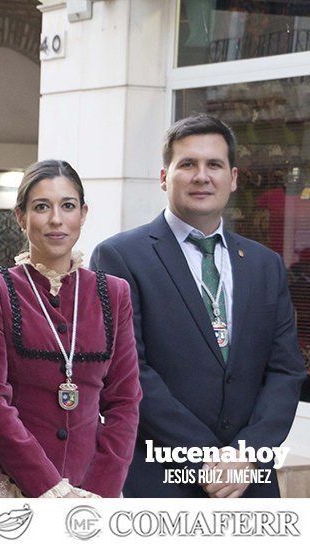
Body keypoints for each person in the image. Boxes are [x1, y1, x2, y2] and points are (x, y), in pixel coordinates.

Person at [90, 114, 306, 498]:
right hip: (162, 479)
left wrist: (247, 455)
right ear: (163, 177)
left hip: (250, 483)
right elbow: (127, 372)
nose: (201, 176)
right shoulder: (120, 257)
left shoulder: (264, 264)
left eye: (214, 165)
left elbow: (286, 370)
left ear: (233, 178)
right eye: (187, 164)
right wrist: (205, 457)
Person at [0, 159, 141, 498]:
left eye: (68, 206)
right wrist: (50, 490)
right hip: (13, 483)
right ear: (21, 217)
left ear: (83, 214)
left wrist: (99, 491)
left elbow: (124, 401)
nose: (56, 219)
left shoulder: (114, 293)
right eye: (42, 207)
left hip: (93, 490)